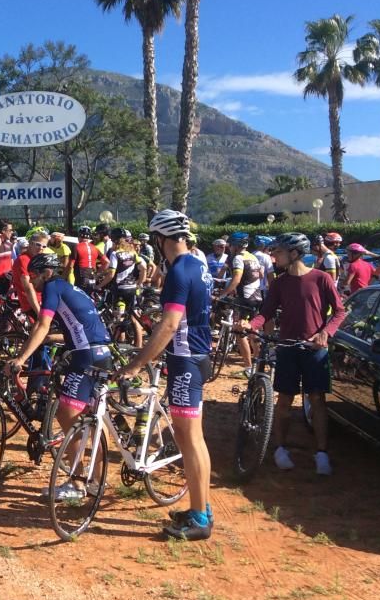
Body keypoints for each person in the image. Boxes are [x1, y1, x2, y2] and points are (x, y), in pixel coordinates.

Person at [116, 211, 214, 540]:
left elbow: (171, 325)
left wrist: (135, 364)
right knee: (190, 440)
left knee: (190, 439)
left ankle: (200, 518)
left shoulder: (178, 271)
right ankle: (202, 507)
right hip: (196, 354)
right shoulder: (198, 263)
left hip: (185, 359)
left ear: (161, 239)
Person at [5, 251, 112, 501]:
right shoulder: (71, 289)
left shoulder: (53, 288)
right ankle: (96, 479)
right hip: (101, 353)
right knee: (94, 417)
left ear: (46, 273)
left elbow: (42, 325)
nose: (31, 281)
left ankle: (76, 483)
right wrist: (46, 340)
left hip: (85, 358)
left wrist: (20, 359)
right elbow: (75, 329)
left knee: (67, 414)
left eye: (33, 276)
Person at [245, 232, 345, 477]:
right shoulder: (279, 283)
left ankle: (321, 452)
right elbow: (265, 312)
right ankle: (280, 448)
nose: (273, 256)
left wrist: (325, 334)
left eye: (277, 252)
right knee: (285, 400)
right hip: (287, 348)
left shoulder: (321, 278)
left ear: (294, 253)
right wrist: (252, 325)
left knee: (317, 400)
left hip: (314, 350)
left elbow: (340, 312)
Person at [220, 232, 263, 372]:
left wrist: (224, 294)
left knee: (239, 332)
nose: (229, 248)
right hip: (257, 296)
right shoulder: (253, 257)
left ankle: (248, 366)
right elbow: (261, 275)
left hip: (244, 298)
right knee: (253, 330)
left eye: (230, 245)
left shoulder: (238, 258)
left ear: (236, 246)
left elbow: (237, 279)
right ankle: (258, 364)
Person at [98, 227, 147, 348]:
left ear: (114, 240)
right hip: (132, 289)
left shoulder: (115, 254)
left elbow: (111, 274)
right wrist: (139, 283)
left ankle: (120, 344)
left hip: (119, 290)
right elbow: (144, 268)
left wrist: (99, 285)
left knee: (118, 317)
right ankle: (138, 345)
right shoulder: (132, 253)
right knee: (133, 316)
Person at [71, 225, 107, 295]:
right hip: (93, 279)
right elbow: (107, 262)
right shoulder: (95, 248)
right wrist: (97, 274)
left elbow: (70, 266)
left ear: (79, 236)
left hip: (81, 279)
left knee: (80, 301)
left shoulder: (76, 247)